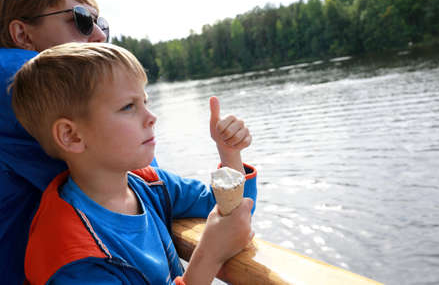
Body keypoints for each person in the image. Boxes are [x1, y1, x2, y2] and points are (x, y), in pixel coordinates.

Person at [9, 42, 257, 284]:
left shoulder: (147, 183)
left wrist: (229, 153)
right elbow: (223, 233)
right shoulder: (72, 258)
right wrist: (209, 256)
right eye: (129, 106)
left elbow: (228, 209)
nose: (152, 117)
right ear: (72, 136)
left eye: (145, 102)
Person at [0, 0, 154, 283]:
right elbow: (139, 170)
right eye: (82, 20)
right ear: (22, 34)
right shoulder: (18, 81)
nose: (98, 35)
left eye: (102, 24)